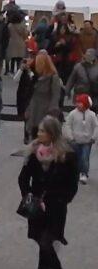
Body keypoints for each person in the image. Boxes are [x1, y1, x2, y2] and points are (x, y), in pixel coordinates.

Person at [18, 116, 79, 269]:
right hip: (36, 208)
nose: (38, 134)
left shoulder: (66, 156)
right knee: (43, 245)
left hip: (55, 208)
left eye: (42, 131)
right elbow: (23, 178)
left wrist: (63, 199)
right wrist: (28, 195)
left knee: (46, 244)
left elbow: (72, 183)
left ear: (51, 133)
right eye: (39, 130)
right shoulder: (33, 153)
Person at [26, 53, 63, 143]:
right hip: (34, 110)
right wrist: (28, 110)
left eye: (38, 63)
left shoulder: (53, 77)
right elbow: (32, 95)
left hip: (45, 111)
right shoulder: (36, 76)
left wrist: (51, 113)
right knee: (34, 138)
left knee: (44, 137)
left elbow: (55, 96)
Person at [63, 94, 98, 184]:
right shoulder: (72, 114)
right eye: (77, 102)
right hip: (75, 141)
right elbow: (67, 125)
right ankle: (76, 172)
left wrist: (93, 137)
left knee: (85, 157)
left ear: (86, 104)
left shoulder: (92, 115)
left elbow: (96, 126)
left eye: (80, 103)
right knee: (76, 157)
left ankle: (84, 173)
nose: (78, 104)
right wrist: (70, 137)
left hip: (87, 141)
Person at [15, 58, 36, 144]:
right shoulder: (22, 72)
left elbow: (34, 79)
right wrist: (21, 69)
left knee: (31, 117)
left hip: (32, 96)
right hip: (23, 96)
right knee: (26, 117)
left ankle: (30, 134)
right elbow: (15, 79)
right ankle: (26, 136)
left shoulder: (34, 71)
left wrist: (29, 70)